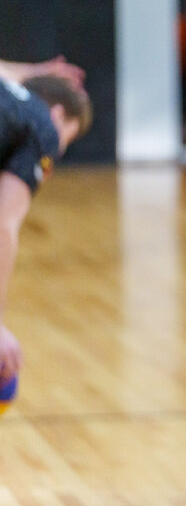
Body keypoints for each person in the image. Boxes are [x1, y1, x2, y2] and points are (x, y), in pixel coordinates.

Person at [0, 74, 93, 385]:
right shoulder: (43, 128)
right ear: (58, 114)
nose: (59, 152)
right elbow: (4, 224)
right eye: (68, 136)